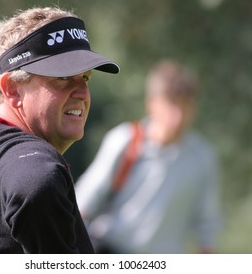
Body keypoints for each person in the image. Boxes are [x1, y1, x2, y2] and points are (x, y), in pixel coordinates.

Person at [0, 6, 119, 254]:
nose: (82, 93)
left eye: (85, 78)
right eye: (63, 77)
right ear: (11, 88)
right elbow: (36, 182)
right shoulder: (36, 169)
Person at [75, 59, 222, 254]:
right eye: (171, 104)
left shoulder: (202, 156)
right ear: (152, 104)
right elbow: (83, 204)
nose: (177, 115)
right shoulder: (125, 140)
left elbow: (207, 223)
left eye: (184, 105)